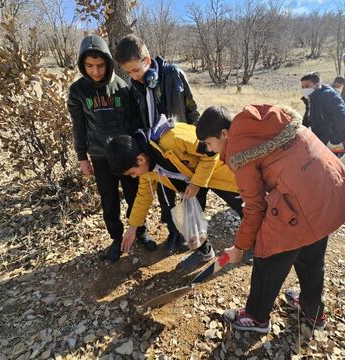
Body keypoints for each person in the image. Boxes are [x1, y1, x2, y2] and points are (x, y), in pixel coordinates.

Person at [196, 104, 345, 334]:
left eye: (209, 143)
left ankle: (256, 317)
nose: (210, 151)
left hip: (303, 199)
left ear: (224, 134)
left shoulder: (240, 148)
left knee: (266, 254)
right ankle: (313, 310)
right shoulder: (266, 121)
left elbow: (254, 207)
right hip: (326, 189)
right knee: (311, 251)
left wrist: (240, 246)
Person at [106, 115, 243, 270]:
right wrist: (133, 227)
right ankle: (204, 252)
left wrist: (197, 183)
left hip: (216, 171)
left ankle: (260, 244)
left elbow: (211, 154)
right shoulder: (147, 170)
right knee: (189, 219)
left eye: (132, 172)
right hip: (192, 184)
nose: (134, 176)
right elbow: (143, 196)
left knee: (244, 206)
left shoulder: (173, 137)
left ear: (140, 160)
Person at [67, 34, 157, 263]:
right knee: (109, 201)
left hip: (126, 155)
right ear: (82, 65)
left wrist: (140, 150)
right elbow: (78, 126)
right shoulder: (78, 91)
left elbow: (134, 121)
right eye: (89, 66)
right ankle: (116, 240)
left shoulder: (122, 87)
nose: (95, 71)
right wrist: (82, 158)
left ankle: (140, 231)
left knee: (134, 195)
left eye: (100, 65)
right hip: (99, 156)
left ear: (107, 62)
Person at [114, 34, 200, 254]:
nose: (134, 76)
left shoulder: (173, 74)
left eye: (136, 70)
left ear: (147, 61)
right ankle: (174, 232)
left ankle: (194, 235)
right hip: (153, 149)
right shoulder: (136, 87)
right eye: (129, 72)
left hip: (179, 145)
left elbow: (191, 109)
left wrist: (198, 142)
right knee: (164, 194)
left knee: (187, 191)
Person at [300, 72, 345, 156]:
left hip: (335, 137)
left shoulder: (328, 95)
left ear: (317, 84)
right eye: (303, 87)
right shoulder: (311, 98)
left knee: (337, 163)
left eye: (307, 86)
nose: (304, 89)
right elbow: (309, 115)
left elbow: (340, 115)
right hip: (323, 136)